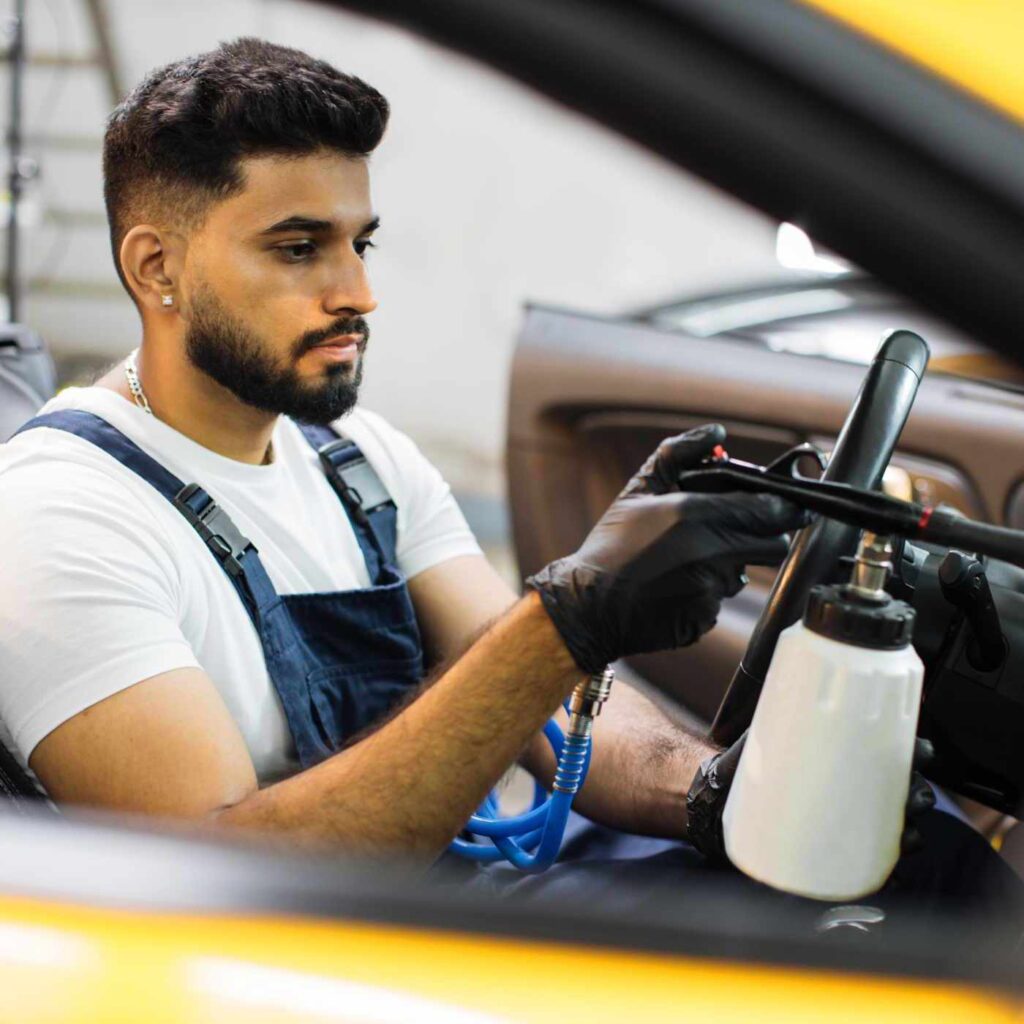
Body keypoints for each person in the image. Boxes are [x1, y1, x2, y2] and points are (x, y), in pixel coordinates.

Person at [0, 39, 800, 864]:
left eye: (361, 244)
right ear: (156, 267)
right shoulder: (59, 515)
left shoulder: (359, 459)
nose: (358, 293)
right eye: (298, 248)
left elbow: (544, 708)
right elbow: (214, 883)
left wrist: (725, 796)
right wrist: (566, 621)